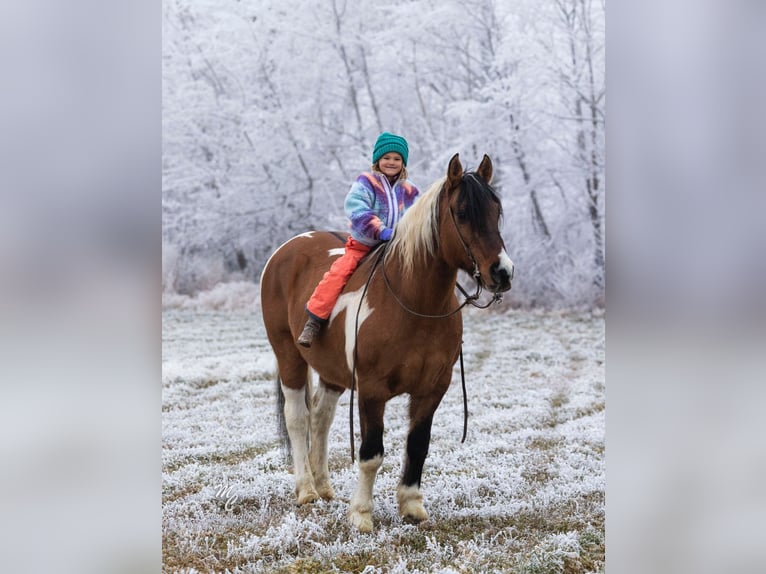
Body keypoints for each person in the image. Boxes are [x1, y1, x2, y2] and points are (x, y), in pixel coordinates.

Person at [297, 132, 421, 347]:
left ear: (403, 163)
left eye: (397, 158)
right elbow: (356, 209)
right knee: (339, 273)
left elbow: (418, 215)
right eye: (387, 158)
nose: (391, 162)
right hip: (365, 245)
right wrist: (381, 230)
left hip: (399, 248)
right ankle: (315, 320)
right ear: (377, 160)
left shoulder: (410, 190)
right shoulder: (367, 182)